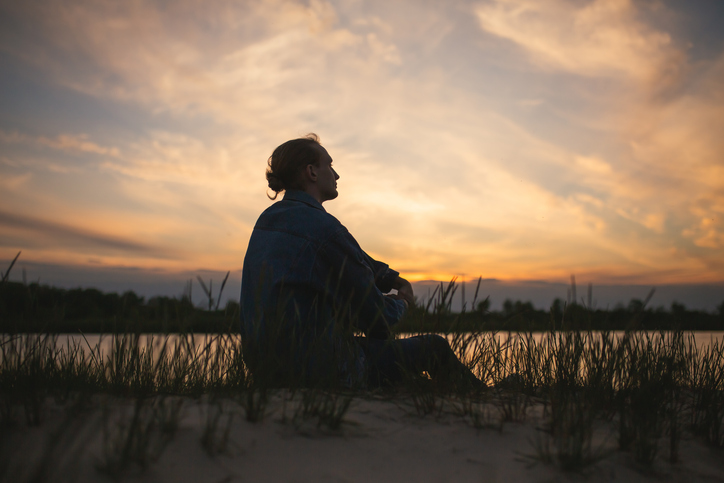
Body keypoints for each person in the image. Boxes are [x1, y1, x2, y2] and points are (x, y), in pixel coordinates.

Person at [240, 134, 482, 390]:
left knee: (409, 379)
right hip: (319, 368)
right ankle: (482, 398)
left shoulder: (267, 221)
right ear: (311, 172)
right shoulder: (325, 229)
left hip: (265, 370)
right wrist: (402, 303)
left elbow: (352, 255)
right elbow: (378, 317)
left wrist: (392, 279)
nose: (337, 175)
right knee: (435, 347)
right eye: (330, 165)